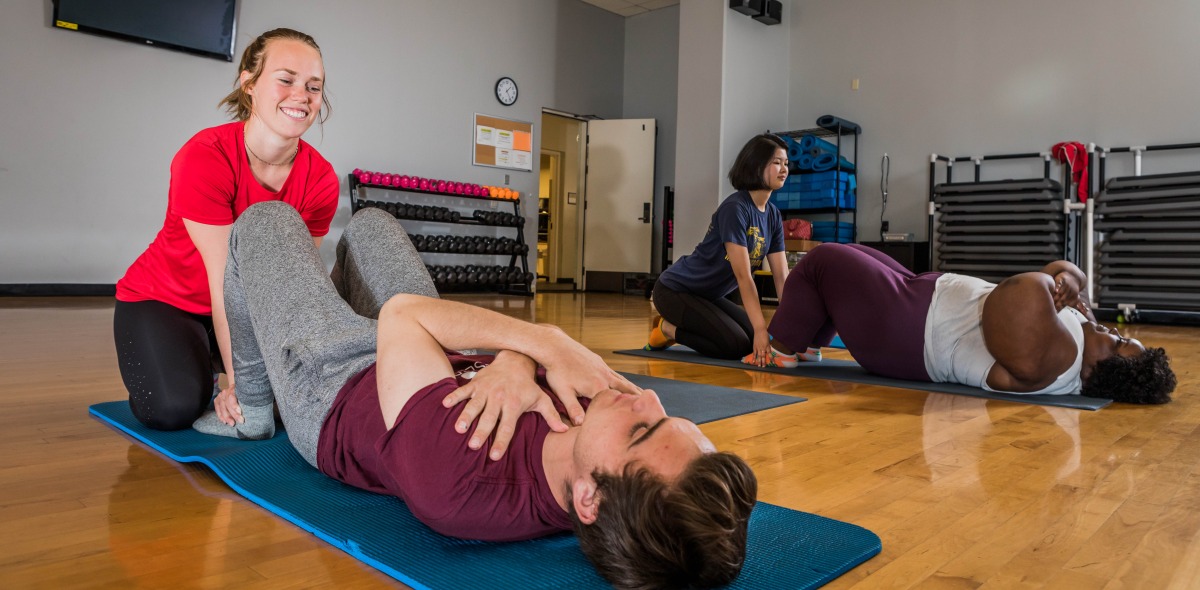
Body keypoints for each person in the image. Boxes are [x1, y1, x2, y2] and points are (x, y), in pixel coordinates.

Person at [195, 201, 758, 589]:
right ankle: (326, 297)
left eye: (643, 430)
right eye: (668, 415)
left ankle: (254, 403)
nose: (645, 400)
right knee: (370, 225)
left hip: (339, 382)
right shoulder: (608, 428)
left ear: (590, 499)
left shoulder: (463, 480)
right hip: (431, 352)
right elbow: (472, 340)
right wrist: (515, 359)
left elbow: (401, 319)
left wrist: (540, 342)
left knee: (266, 222)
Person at [113, 29, 338, 430]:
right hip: (166, 300)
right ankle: (196, 362)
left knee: (294, 406)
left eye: (313, 86)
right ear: (248, 83)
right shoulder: (204, 156)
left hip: (251, 313)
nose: (301, 95)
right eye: (285, 79)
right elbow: (223, 283)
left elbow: (292, 282)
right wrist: (241, 386)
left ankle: (211, 358)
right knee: (172, 409)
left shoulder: (320, 180)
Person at [763, 243, 1176, 404]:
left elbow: (1017, 293)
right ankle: (807, 343)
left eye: (1119, 344)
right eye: (1122, 334)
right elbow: (1068, 275)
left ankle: (780, 348)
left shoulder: (1055, 360)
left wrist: (1059, 281)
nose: (1112, 332)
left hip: (908, 332)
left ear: (1098, 372)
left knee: (821, 261)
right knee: (850, 256)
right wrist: (1073, 280)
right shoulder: (1078, 338)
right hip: (922, 300)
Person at [644, 133, 818, 367]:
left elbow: (781, 277)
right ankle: (666, 330)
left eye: (786, 163)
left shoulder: (774, 215)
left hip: (710, 296)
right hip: (676, 291)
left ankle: (678, 328)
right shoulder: (735, 209)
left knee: (752, 341)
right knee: (734, 344)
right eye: (776, 162)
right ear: (756, 166)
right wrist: (759, 329)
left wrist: (788, 332)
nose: (784, 169)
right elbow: (743, 276)